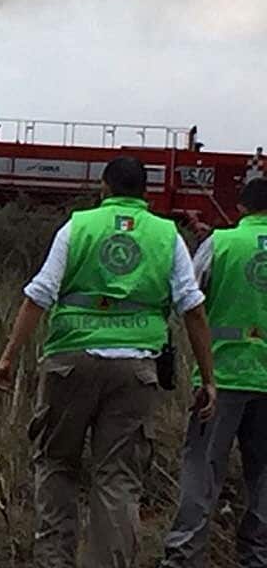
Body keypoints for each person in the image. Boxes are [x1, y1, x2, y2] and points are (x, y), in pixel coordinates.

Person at [0, 156, 217, 568]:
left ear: (104, 187)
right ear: (144, 193)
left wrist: (8, 357)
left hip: (69, 363)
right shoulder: (166, 235)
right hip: (135, 371)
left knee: (58, 464)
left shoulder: (77, 227)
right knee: (117, 478)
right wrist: (209, 379)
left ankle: (54, 562)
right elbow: (193, 309)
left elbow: (39, 294)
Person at [161, 177, 267, 567]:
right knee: (264, 476)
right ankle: (258, 556)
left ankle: (185, 556)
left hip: (221, 376)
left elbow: (188, 298)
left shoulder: (220, 243)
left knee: (201, 470)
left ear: (241, 208)